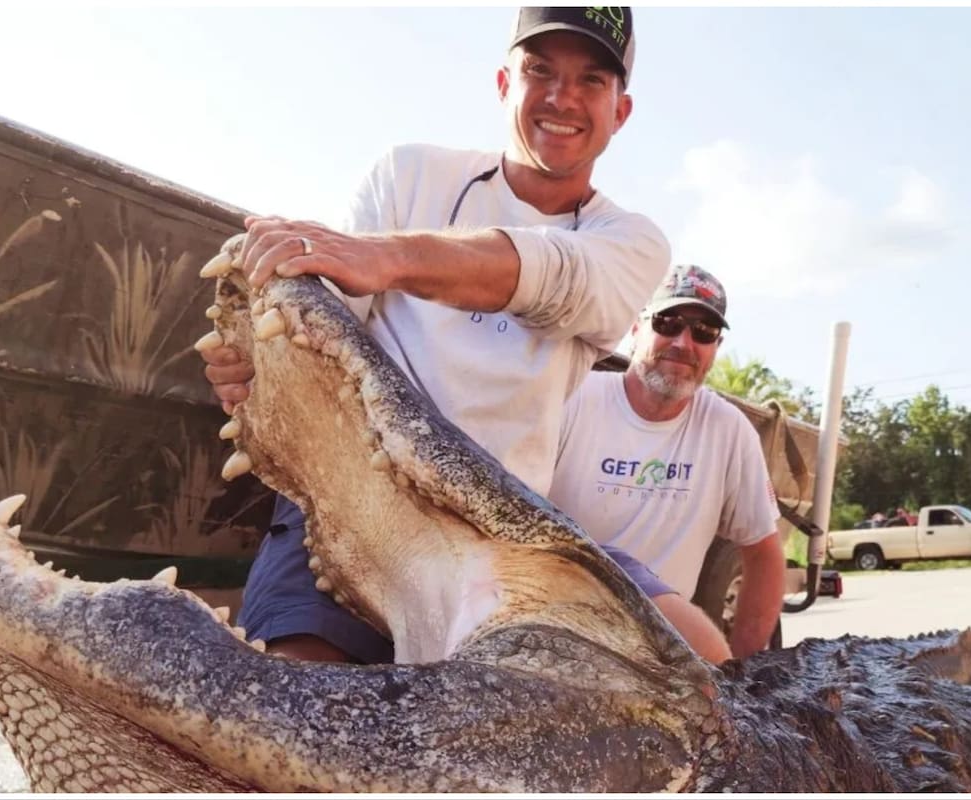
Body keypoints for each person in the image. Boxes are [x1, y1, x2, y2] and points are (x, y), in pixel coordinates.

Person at [201, 7, 673, 664]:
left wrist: (387, 257)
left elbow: (559, 275)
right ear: (505, 83)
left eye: (591, 80)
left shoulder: (631, 242)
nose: (562, 98)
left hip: (500, 541)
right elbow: (317, 326)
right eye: (540, 70)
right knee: (292, 694)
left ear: (620, 110)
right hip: (352, 498)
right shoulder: (406, 174)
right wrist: (259, 368)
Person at [546, 264, 784, 659]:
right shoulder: (571, 400)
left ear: (716, 347)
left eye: (704, 332)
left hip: (662, 654)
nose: (683, 342)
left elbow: (764, 553)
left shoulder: (728, 430)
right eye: (668, 322)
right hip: (558, 632)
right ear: (636, 330)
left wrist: (745, 673)